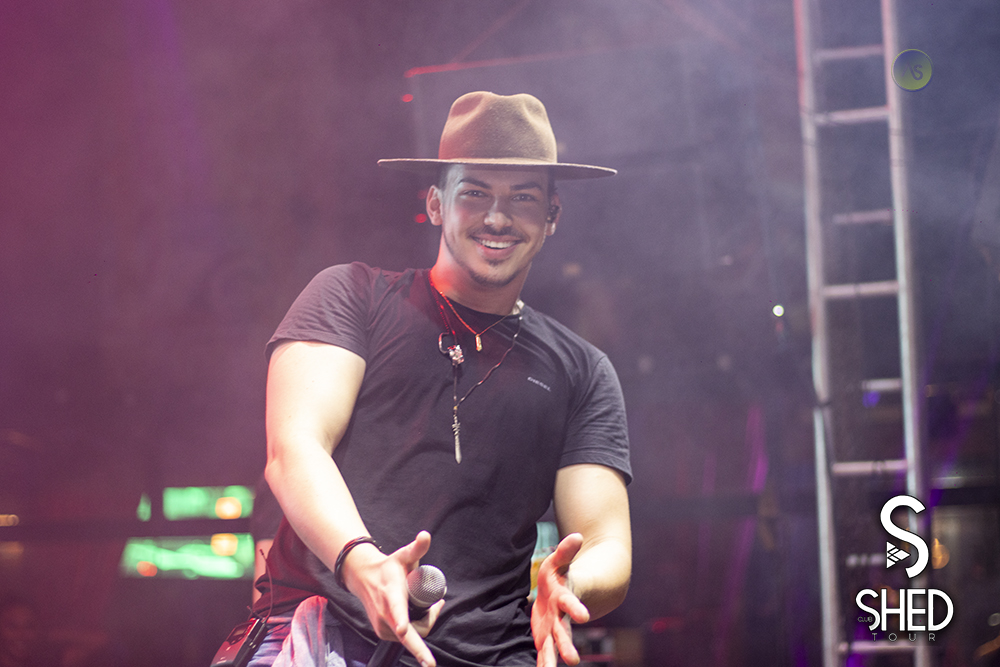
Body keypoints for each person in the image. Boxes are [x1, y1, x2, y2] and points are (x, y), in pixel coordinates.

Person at [249, 91, 632, 667]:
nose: (497, 217)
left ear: (552, 216)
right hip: (325, 636)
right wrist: (361, 562)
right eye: (474, 192)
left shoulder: (581, 370)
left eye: (523, 198)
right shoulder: (351, 295)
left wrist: (571, 583)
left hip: (494, 655)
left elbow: (607, 544)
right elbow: (295, 449)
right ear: (435, 203)